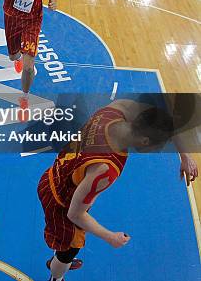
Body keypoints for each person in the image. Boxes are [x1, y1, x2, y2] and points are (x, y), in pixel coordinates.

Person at [37, 100, 175, 281]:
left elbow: (155, 115)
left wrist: (185, 156)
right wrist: (110, 237)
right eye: (159, 146)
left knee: (70, 236)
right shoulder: (105, 169)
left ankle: (61, 255)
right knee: (68, 251)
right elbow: (74, 214)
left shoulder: (114, 110)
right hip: (61, 203)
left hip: (57, 174)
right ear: (145, 141)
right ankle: (57, 275)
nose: (159, 150)